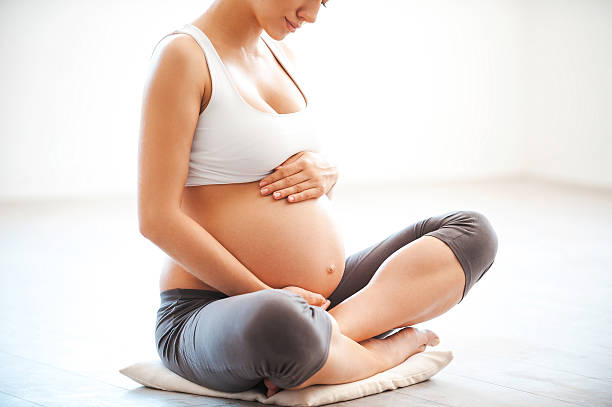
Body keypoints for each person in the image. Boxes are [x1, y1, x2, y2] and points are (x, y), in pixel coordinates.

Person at [137, 0, 499, 398]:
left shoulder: (281, 54)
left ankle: (326, 336)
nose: (311, 15)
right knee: (280, 321)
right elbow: (157, 218)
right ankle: (382, 353)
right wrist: (264, 295)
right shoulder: (184, 56)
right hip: (213, 309)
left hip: (317, 300)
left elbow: (286, 175)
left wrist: (328, 172)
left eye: (323, 2)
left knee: (472, 232)